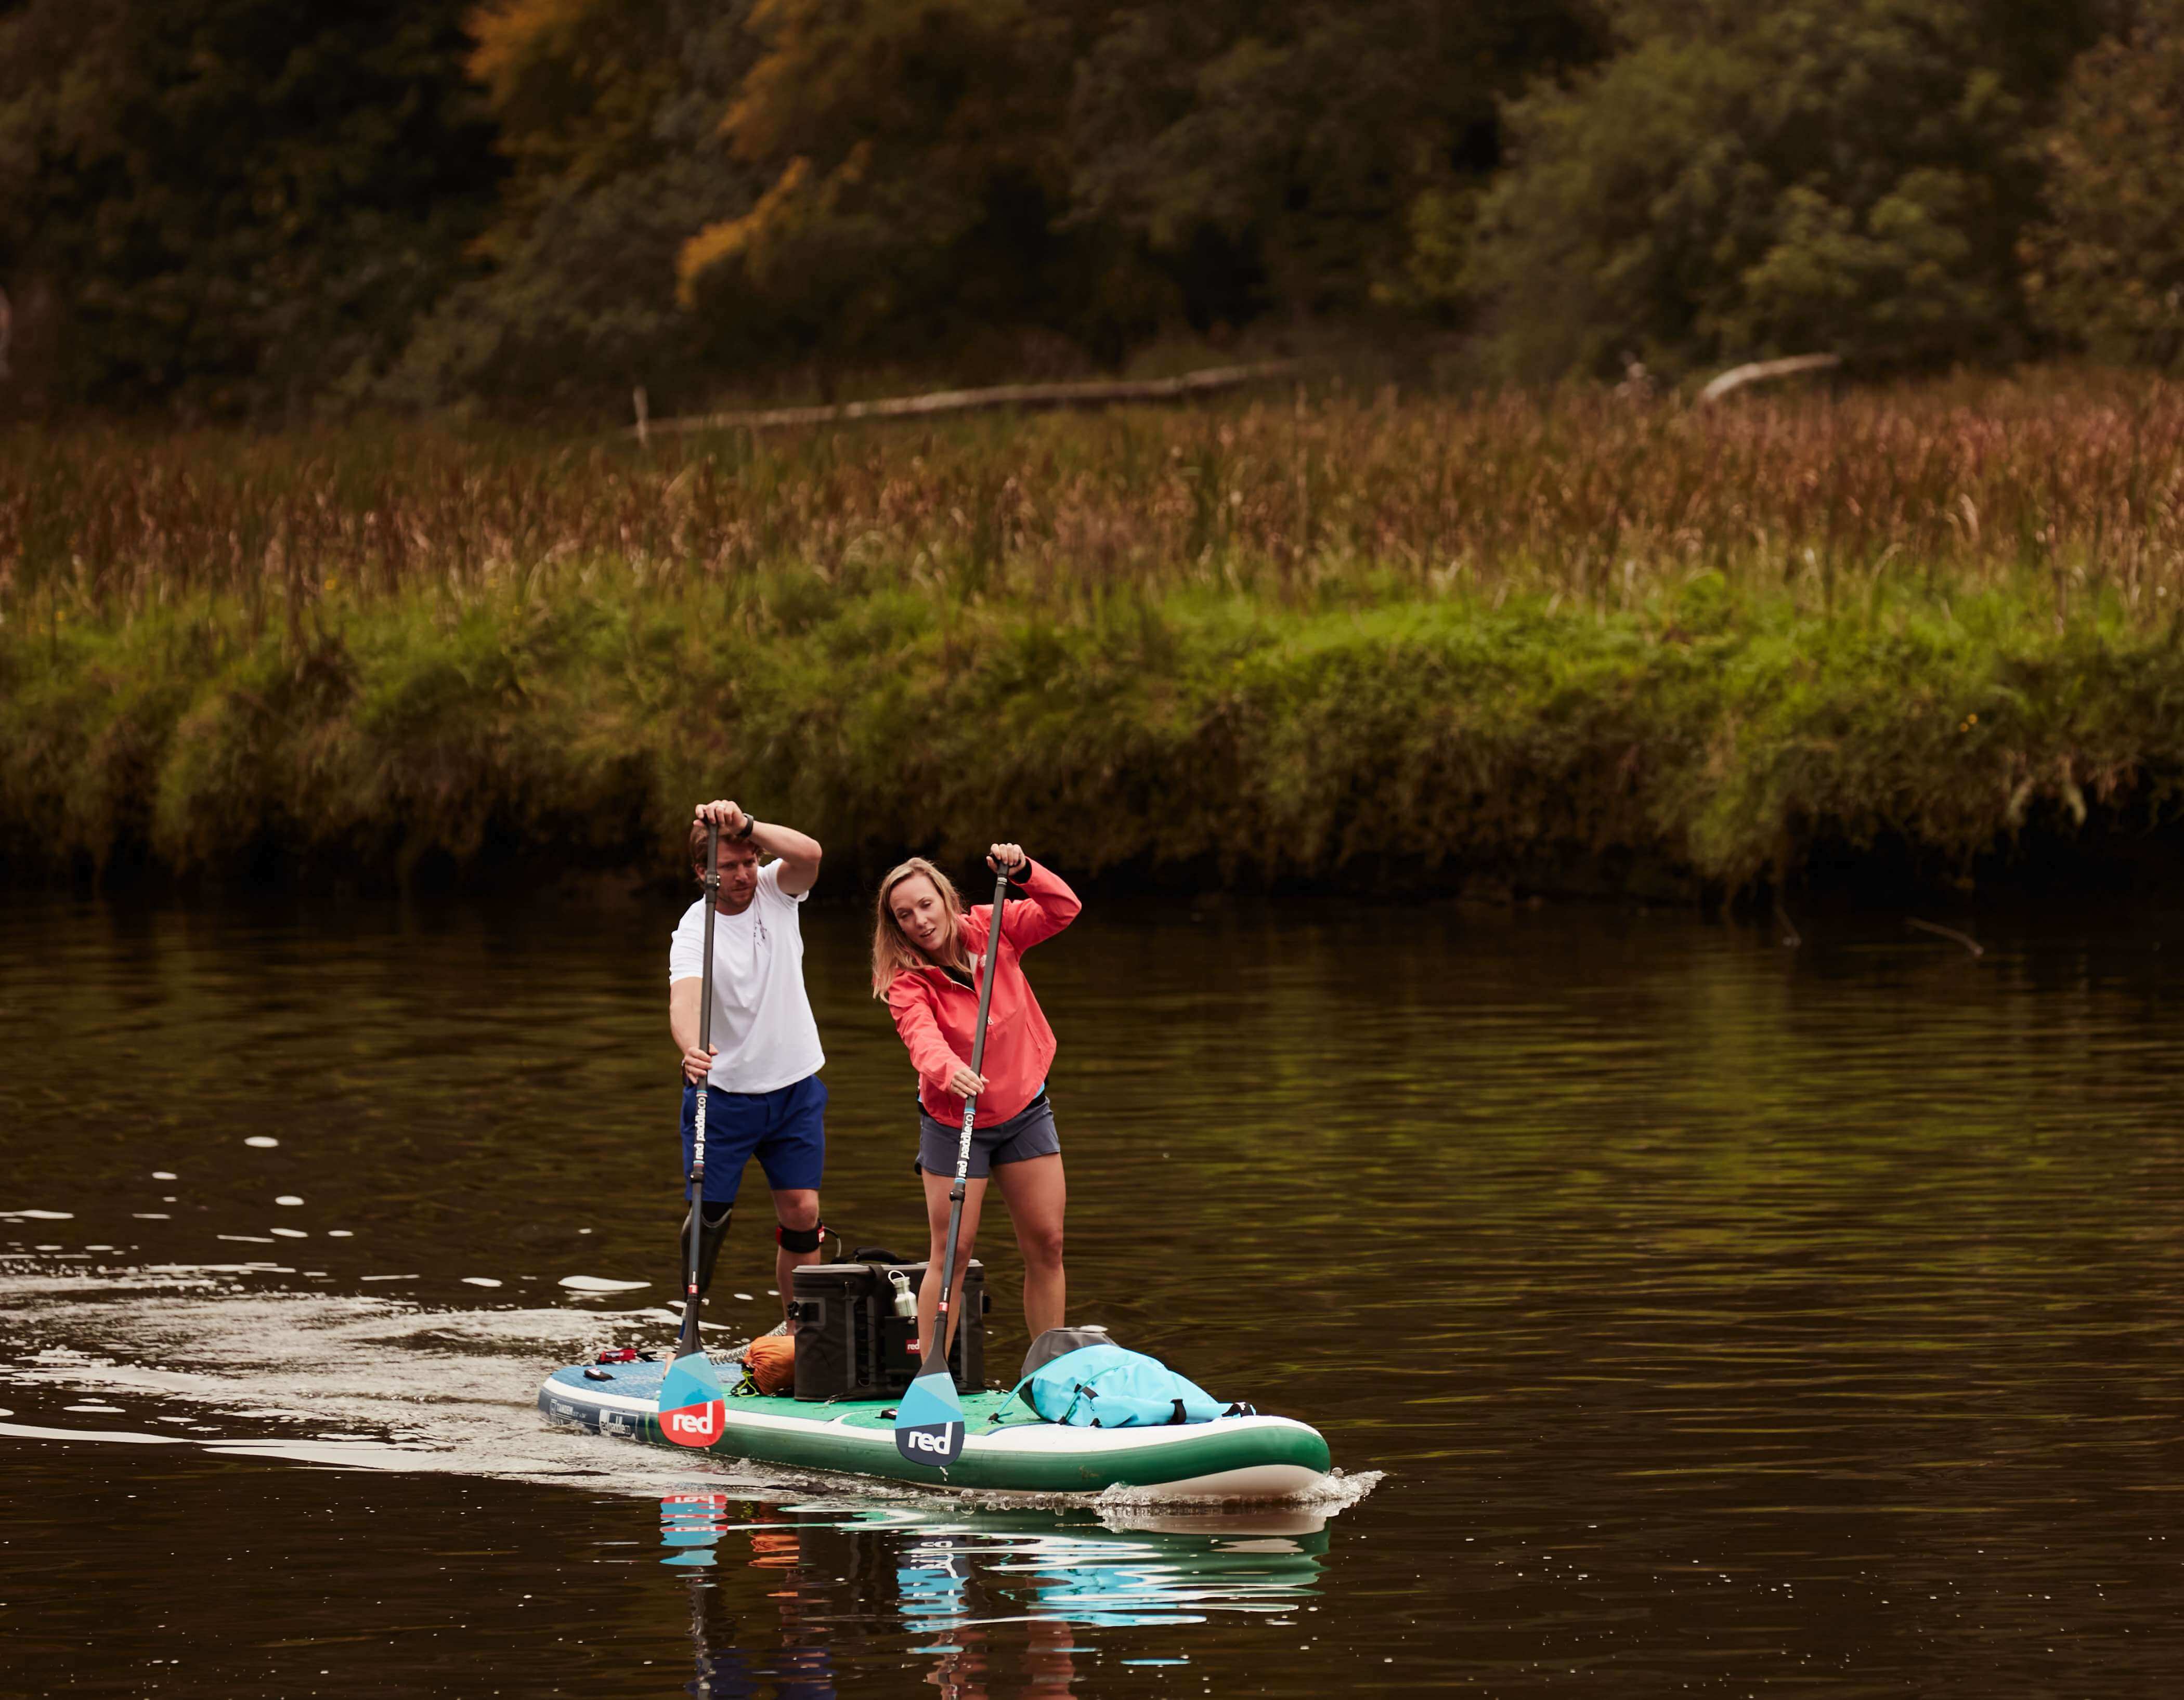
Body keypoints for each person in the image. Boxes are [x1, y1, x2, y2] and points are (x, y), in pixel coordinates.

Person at [872, 843, 1080, 1354]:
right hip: (955, 1122)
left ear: (945, 899)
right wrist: (949, 1070)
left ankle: (1046, 1371)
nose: (920, 921)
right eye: (905, 915)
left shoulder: (995, 927)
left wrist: (1027, 871)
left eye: (925, 905)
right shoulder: (907, 981)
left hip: (1025, 1111)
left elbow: (1063, 909)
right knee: (954, 1252)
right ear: (896, 927)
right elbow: (921, 1038)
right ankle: (931, 1376)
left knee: (1047, 1244)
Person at [669, 799, 827, 1329]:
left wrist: (747, 826)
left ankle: (801, 1333)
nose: (742, 876)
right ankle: (688, 1329)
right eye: (729, 867)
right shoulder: (694, 930)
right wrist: (690, 1046)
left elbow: (811, 853)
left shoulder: (777, 892)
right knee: (710, 1220)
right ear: (703, 873)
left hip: (793, 1087)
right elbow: (684, 1000)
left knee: (804, 1214)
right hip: (725, 1096)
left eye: (748, 862)